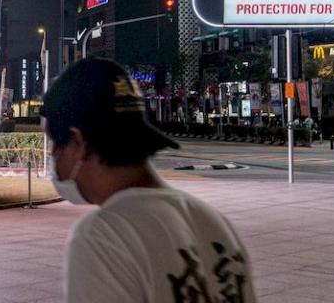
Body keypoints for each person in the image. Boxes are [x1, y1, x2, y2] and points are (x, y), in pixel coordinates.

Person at [42, 57, 256, 303]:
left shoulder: (103, 236)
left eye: (54, 145)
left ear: (78, 143)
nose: (53, 158)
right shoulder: (215, 222)